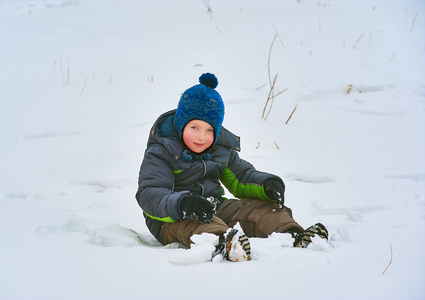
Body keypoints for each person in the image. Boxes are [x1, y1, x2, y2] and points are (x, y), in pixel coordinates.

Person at [136, 73, 328, 262]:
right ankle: (224, 243)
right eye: (194, 127)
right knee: (202, 223)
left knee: (261, 208)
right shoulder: (162, 151)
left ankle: (294, 235)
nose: (201, 137)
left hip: (214, 206)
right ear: (181, 124)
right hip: (172, 219)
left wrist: (266, 185)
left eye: (209, 130)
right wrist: (184, 204)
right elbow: (150, 194)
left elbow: (242, 177)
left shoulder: (220, 149)